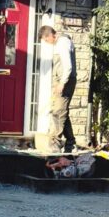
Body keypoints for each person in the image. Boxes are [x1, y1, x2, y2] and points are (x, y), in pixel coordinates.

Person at [39, 24, 77, 153]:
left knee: (58, 112)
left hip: (66, 81)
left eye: (46, 40)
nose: (47, 43)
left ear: (50, 35)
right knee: (61, 111)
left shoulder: (62, 43)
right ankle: (71, 143)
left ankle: (55, 144)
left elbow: (67, 66)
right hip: (61, 81)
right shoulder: (59, 43)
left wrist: (62, 83)